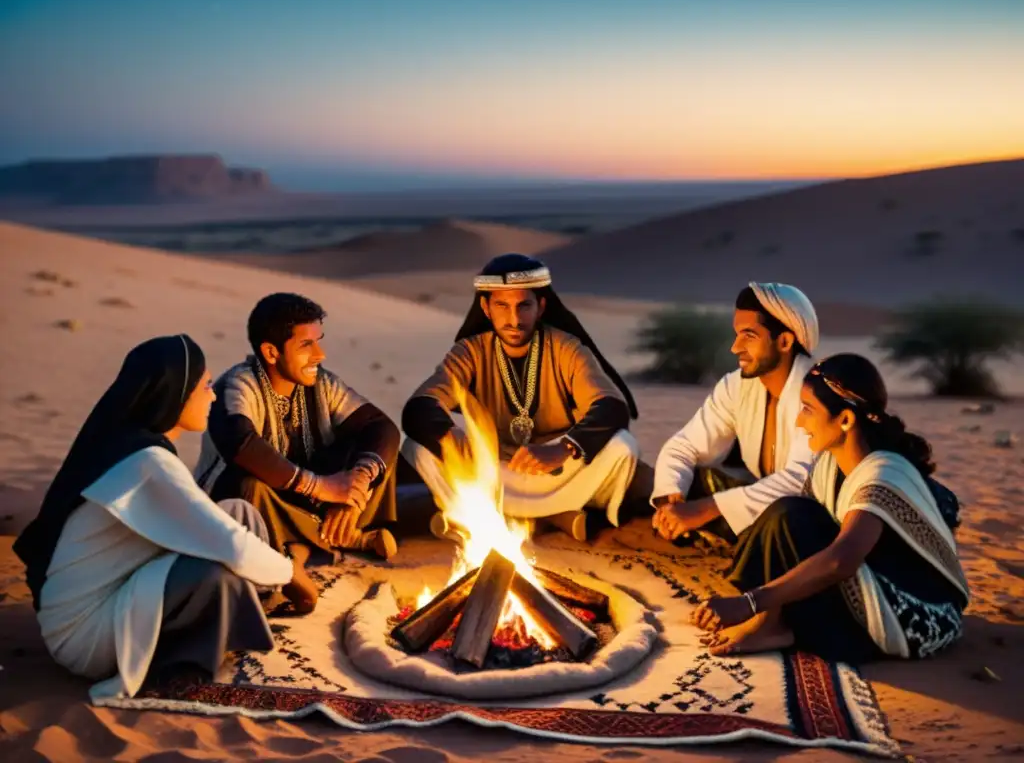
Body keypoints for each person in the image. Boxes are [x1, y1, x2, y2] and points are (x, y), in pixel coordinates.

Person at [13, 335, 295, 701]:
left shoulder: (134, 447)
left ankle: (244, 607)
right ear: (176, 394)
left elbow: (217, 525)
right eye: (206, 386)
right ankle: (185, 663)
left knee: (238, 514)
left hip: (114, 594)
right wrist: (291, 574)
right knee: (217, 573)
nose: (213, 396)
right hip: (86, 636)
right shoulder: (148, 463)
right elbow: (233, 547)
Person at [692, 354, 970, 662]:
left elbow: (842, 560)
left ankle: (774, 623)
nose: (799, 421)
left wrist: (751, 602)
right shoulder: (828, 464)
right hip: (872, 586)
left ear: (846, 420)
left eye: (808, 410)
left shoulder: (882, 473)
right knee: (786, 515)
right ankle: (773, 624)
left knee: (790, 515)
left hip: (918, 617)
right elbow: (798, 543)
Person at [401, 254, 642, 541]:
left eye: (523, 306)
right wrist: (451, 438)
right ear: (486, 308)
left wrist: (562, 449)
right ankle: (555, 517)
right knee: (417, 447)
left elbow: (611, 407)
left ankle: (493, 517)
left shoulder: (567, 348)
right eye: (502, 306)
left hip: (557, 472)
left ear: (540, 307)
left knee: (623, 446)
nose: (514, 319)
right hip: (493, 474)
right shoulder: (470, 352)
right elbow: (420, 406)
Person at [195, 294, 401, 611]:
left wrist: (354, 489)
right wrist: (323, 488)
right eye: (306, 345)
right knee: (248, 487)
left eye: (319, 341)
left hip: (308, 500)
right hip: (247, 503)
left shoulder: (322, 384)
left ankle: (318, 540)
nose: (320, 354)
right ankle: (326, 545)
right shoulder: (237, 385)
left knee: (373, 456)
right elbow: (241, 443)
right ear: (271, 352)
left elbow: (380, 426)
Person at [652, 282, 819, 546]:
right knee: (695, 479)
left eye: (749, 336)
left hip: (812, 515)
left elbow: (801, 481)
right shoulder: (736, 386)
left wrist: (704, 509)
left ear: (785, 341)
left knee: (786, 515)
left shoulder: (819, 394)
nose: (735, 347)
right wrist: (671, 498)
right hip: (762, 502)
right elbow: (684, 447)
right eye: (737, 334)